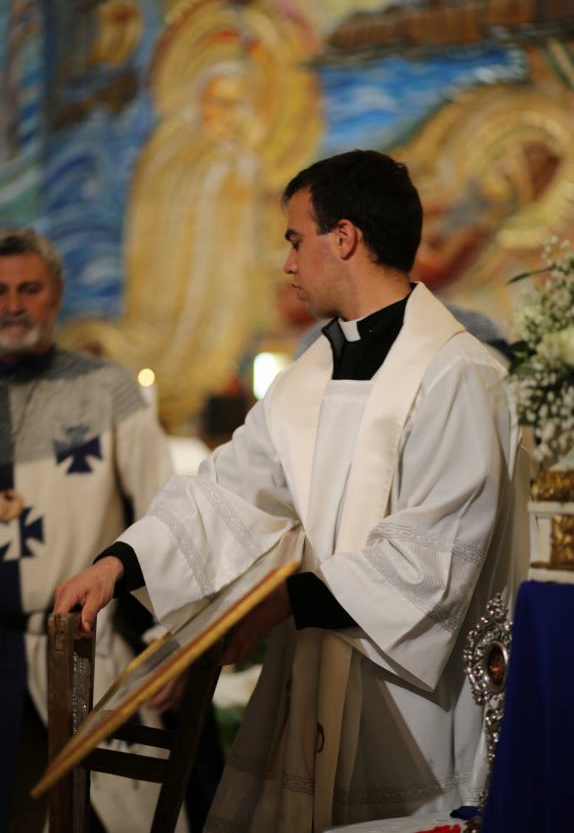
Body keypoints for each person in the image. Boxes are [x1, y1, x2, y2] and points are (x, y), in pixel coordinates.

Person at [55, 151, 528, 832]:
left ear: (344, 239)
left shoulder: (458, 375)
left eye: (295, 239)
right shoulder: (313, 371)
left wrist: (284, 599)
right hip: (315, 684)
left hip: (412, 710)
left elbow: (429, 562)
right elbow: (227, 492)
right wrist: (117, 565)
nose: (288, 263)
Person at [0, 228, 183, 832]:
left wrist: (171, 641)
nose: (13, 304)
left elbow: (168, 512)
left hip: (76, 650)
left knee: (114, 818)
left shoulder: (107, 390)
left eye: (29, 288)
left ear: (56, 296)